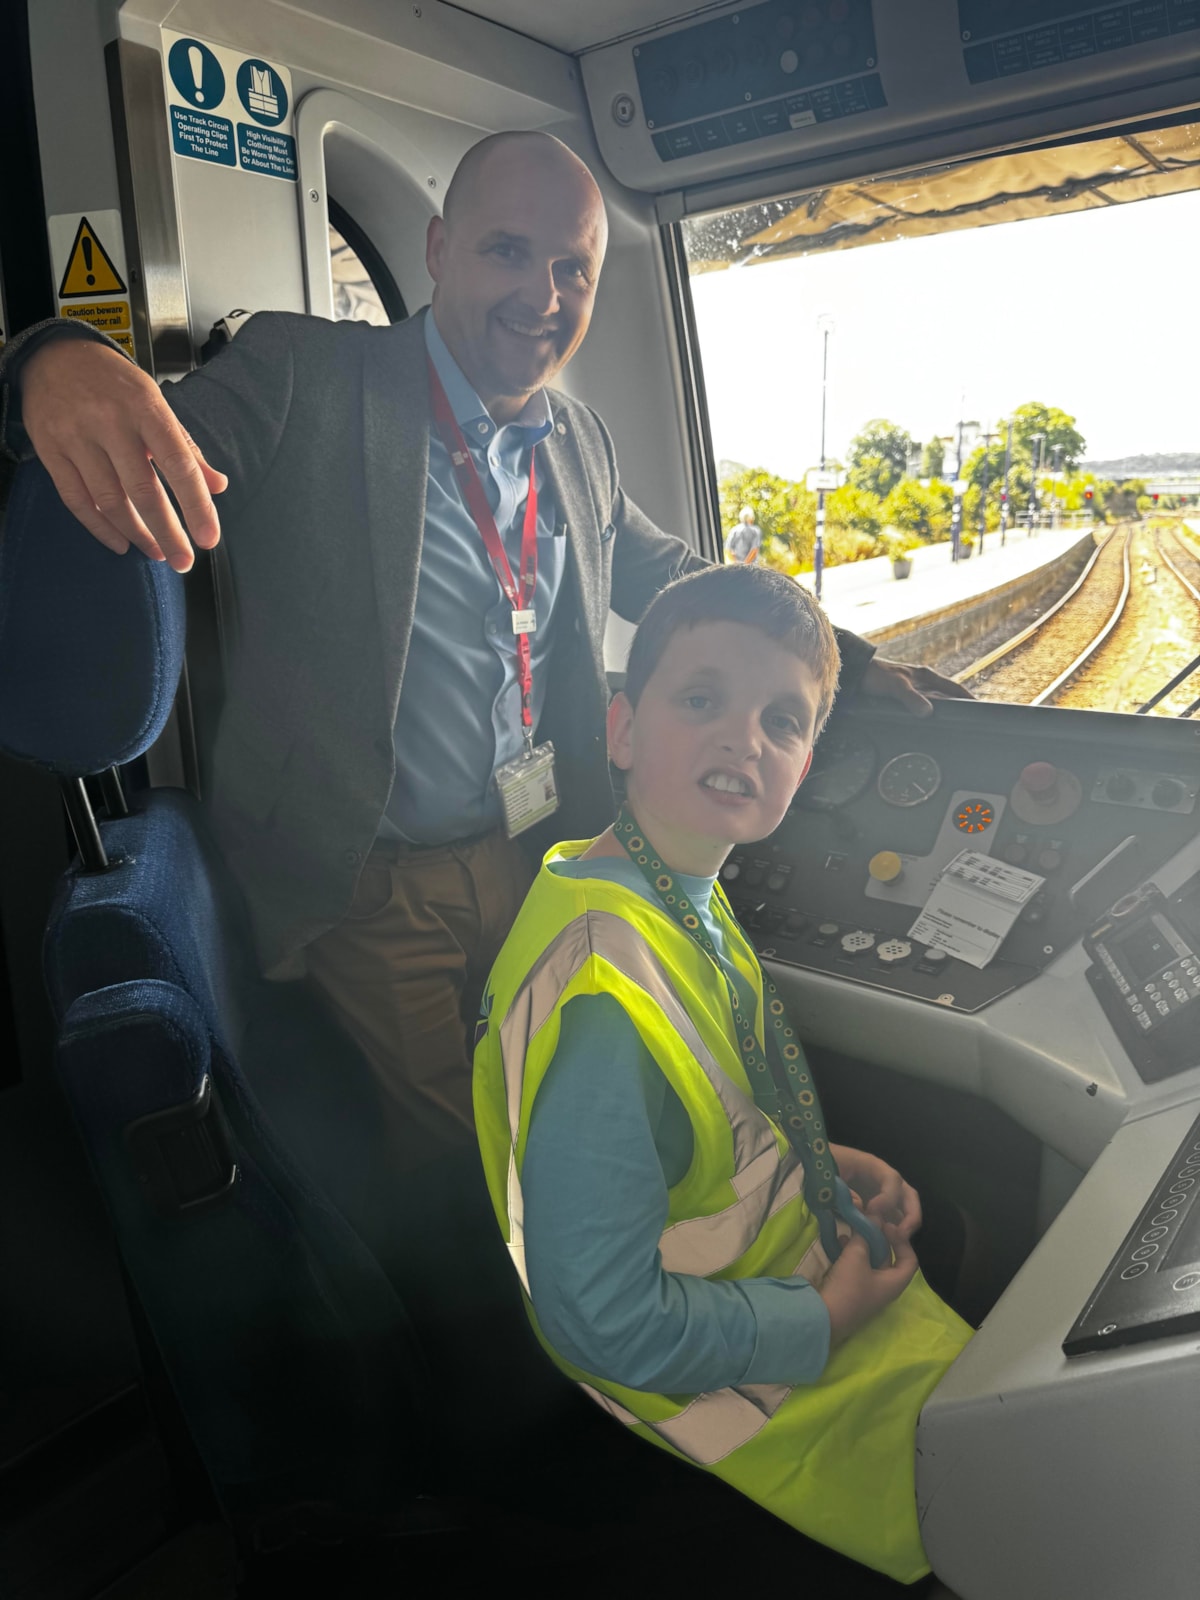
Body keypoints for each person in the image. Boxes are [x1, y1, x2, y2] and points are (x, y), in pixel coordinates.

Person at [0, 131, 969, 1169]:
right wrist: (50, 359)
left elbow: (683, 579)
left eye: (572, 270)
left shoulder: (581, 444)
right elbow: (124, 441)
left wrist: (851, 666)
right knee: (485, 1163)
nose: (541, 294)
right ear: (437, 248)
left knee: (606, 1097)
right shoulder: (305, 379)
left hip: (525, 854)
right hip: (363, 879)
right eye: (508, 252)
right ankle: (544, 1320)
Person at [474, 563, 973, 1583]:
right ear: (620, 728)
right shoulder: (606, 992)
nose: (744, 737)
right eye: (701, 699)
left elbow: (708, 1118)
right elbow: (604, 1325)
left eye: (782, 721)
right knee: (1012, 1484)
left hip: (763, 1276)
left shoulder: (665, 889)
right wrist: (830, 1318)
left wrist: (823, 1162)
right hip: (713, 1399)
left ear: (803, 764)